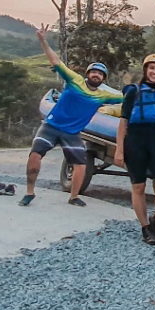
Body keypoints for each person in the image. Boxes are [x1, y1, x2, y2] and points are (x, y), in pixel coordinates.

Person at [23, 24, 123, 208]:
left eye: (100, 74)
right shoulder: (74, 80)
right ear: (87, 74)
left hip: (73, 132)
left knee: (81, 164)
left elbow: (128, 96)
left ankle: (74, 196)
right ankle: (29, 192)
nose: (96, 75)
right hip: (52, 126)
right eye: (93, 72)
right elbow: (55, 62)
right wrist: (43, 40)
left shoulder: (104, 95)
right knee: (35, 155)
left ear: (103, 79)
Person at [116, 54, 155, 245]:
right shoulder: (134, 91)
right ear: (145, 70)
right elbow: (123, 123)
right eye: (152, 68)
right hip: (135, 142)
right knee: (138, 186)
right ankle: (145, 228)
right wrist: (119, 150)